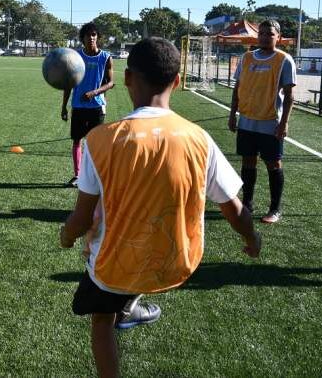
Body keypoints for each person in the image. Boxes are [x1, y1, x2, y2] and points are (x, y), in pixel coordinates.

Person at [60, 38, 262, 378]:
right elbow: (234, 208)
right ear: (177, 82)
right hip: (177, 262)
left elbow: (81, 219)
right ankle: (131, 305)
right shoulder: (198, 138)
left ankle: (120, 316)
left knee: (100, 318)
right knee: (143, 233)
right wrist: (252, 238)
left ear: (126, 79)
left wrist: (65, 236)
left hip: (117, 265)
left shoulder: (101, 139)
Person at [228, 19, 295, 224]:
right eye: (262, 34)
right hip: (247, 121)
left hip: (270, 122)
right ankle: (247, 204)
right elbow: (237, 88)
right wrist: (232, 115)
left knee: (273, 164)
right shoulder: (246, 58)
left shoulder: (284, 60)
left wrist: (284, 123)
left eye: (270, 34)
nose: (265, 37)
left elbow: (290, 95)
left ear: (279, 37)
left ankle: (275, 209)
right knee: (248, 162)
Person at [62, 22, 114, 188]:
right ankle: (77, 175)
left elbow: (111, 83)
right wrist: (64, 106)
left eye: (94, 34)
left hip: (97, 108)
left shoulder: (106, 57)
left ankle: (96, 176)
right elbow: (68, 84)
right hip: (78, 107)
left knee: (96, 143)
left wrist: (94, 93)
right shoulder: (75, 58)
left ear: (97, 37)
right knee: (77, 141)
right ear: (82, 38)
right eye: (87, 35)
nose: (91, 38)